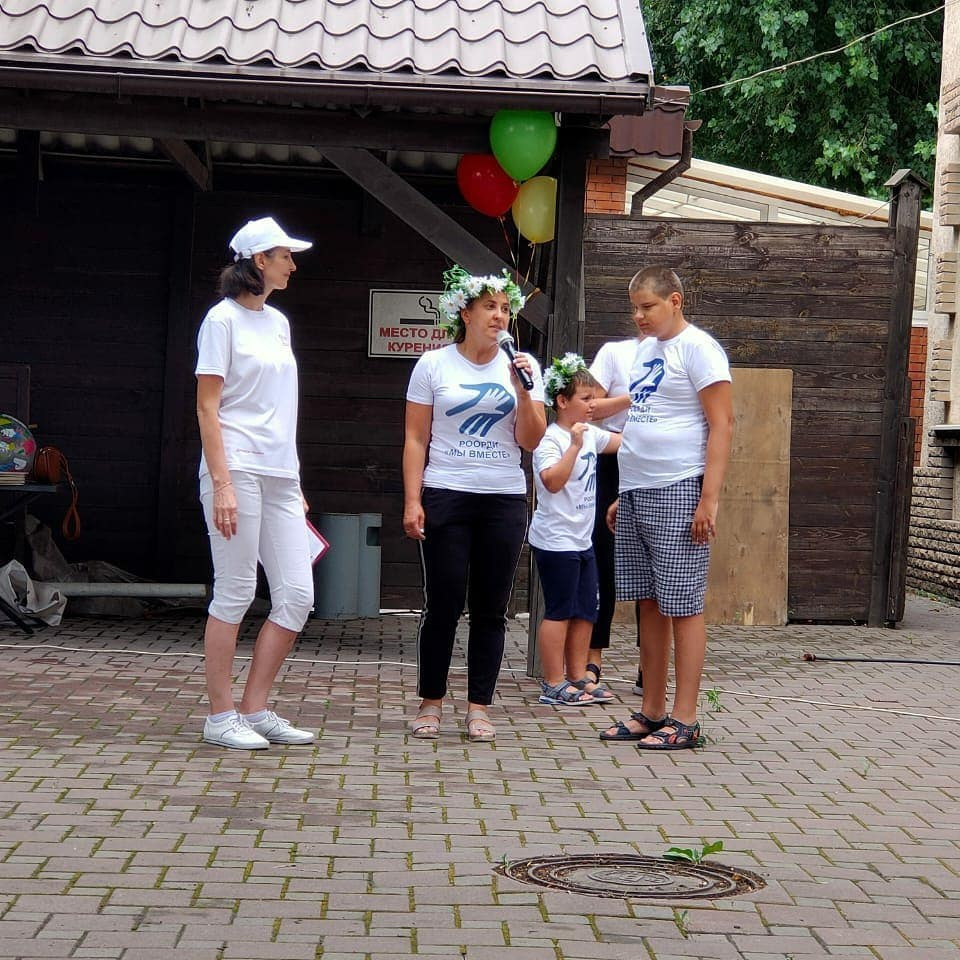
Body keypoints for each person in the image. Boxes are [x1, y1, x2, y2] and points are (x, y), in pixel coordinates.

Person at [402, 265, 546, 742]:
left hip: (503, 497)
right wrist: (412, 499)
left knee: (491, 606)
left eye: (506, 309)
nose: (499, 316)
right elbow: (415, 437)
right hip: (446, 491)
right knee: (443, 601)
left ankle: (479, 706)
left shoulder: (524, 366)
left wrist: (524, 390)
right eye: (489, 306)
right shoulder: (433, 365)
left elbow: (530, 439)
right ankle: (430, 702)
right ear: (464, 312)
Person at [195, 216, 317, 750]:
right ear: (258, 261)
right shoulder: (219, 321)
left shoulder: (278, 322)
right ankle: (220, 717)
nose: (293, 263)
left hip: (280, 475)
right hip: (235, 469)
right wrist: (221, 483)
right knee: (237, 589)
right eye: (285, 254)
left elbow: (278, 406)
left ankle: (256, 708)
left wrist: (294, 478)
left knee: (296, 595)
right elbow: (206, 406)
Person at [600, 266, 733, 750]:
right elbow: (640, 415)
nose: (639, 316)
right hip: (637, 488)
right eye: (634, 307)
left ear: (675, 301)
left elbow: (723, 425)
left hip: (680, 488)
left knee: (683, 604)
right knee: (648, 603)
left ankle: (686, 718)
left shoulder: (699, 348)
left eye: (648, 307)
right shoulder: (642, 352)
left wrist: (708, 499)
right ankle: (652, 710)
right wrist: (624, 492)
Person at [529, 355, 620, 705]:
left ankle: (578, 675)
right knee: (560, 610)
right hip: (556, 540)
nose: (592, 405)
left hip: (583, 539)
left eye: (593, 398)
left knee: (586, 610)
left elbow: (621, 443)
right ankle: (552, 683)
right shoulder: (552, 439)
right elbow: (551, 482)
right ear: (562, 402)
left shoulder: (591, 433)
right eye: (585, 398)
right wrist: (576, 446)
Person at [587, 333, 645, 695]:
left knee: (651, 563)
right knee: (601, 558)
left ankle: (648, 664)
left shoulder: (683, 354)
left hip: (654, 458)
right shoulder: (615, 352)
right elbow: (590, 407)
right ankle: (593, 657)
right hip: (611, 456)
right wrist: (637, 397)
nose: (643, 317)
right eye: (638, 309)